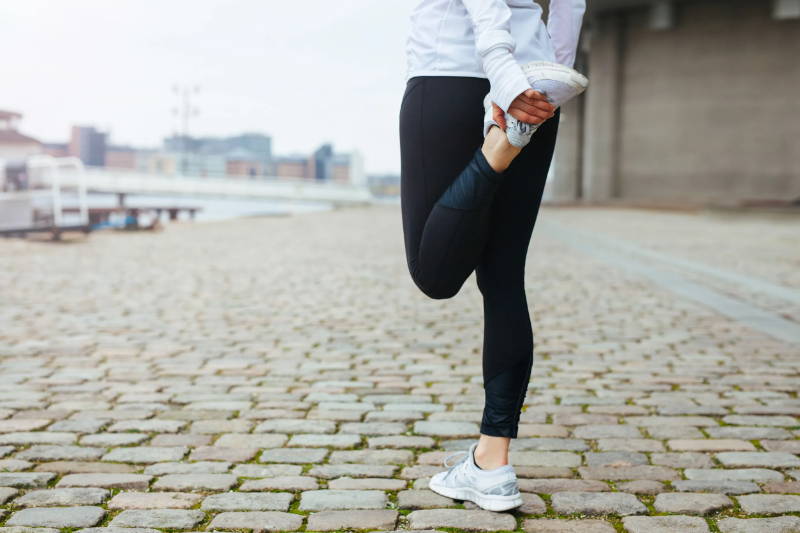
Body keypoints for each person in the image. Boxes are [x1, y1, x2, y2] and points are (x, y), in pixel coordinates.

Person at [399, 0, 587, 512]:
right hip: (535, 87)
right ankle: (492, 464)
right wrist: (549, 82)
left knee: (434, 275)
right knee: (503, 280)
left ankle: (499, 146)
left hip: (449, 78)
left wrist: (505, 81)